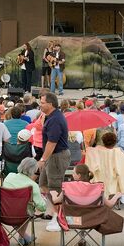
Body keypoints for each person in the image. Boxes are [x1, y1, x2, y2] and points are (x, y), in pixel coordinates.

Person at [38, 92, 71, 231]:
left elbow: (52, 142)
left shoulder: (55, 120)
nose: (40, 104)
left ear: (50, 104)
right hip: (52, 156)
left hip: (57, 156)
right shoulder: (51, 117)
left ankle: (59, 219)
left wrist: (43, 159)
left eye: (43, 102)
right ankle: (54, 213)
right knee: (44, 184)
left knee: (55, 189)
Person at [2, 158, 46, 246]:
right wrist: (43, 199)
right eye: (37, 171)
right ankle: (23, 236)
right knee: (27, 209)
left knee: (20, 208)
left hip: (3, 212)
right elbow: (42, 207)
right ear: (33, 171)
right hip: (22, 215)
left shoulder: (9, 176)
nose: (37, 174)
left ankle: (22, 237)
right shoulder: (33, 185)